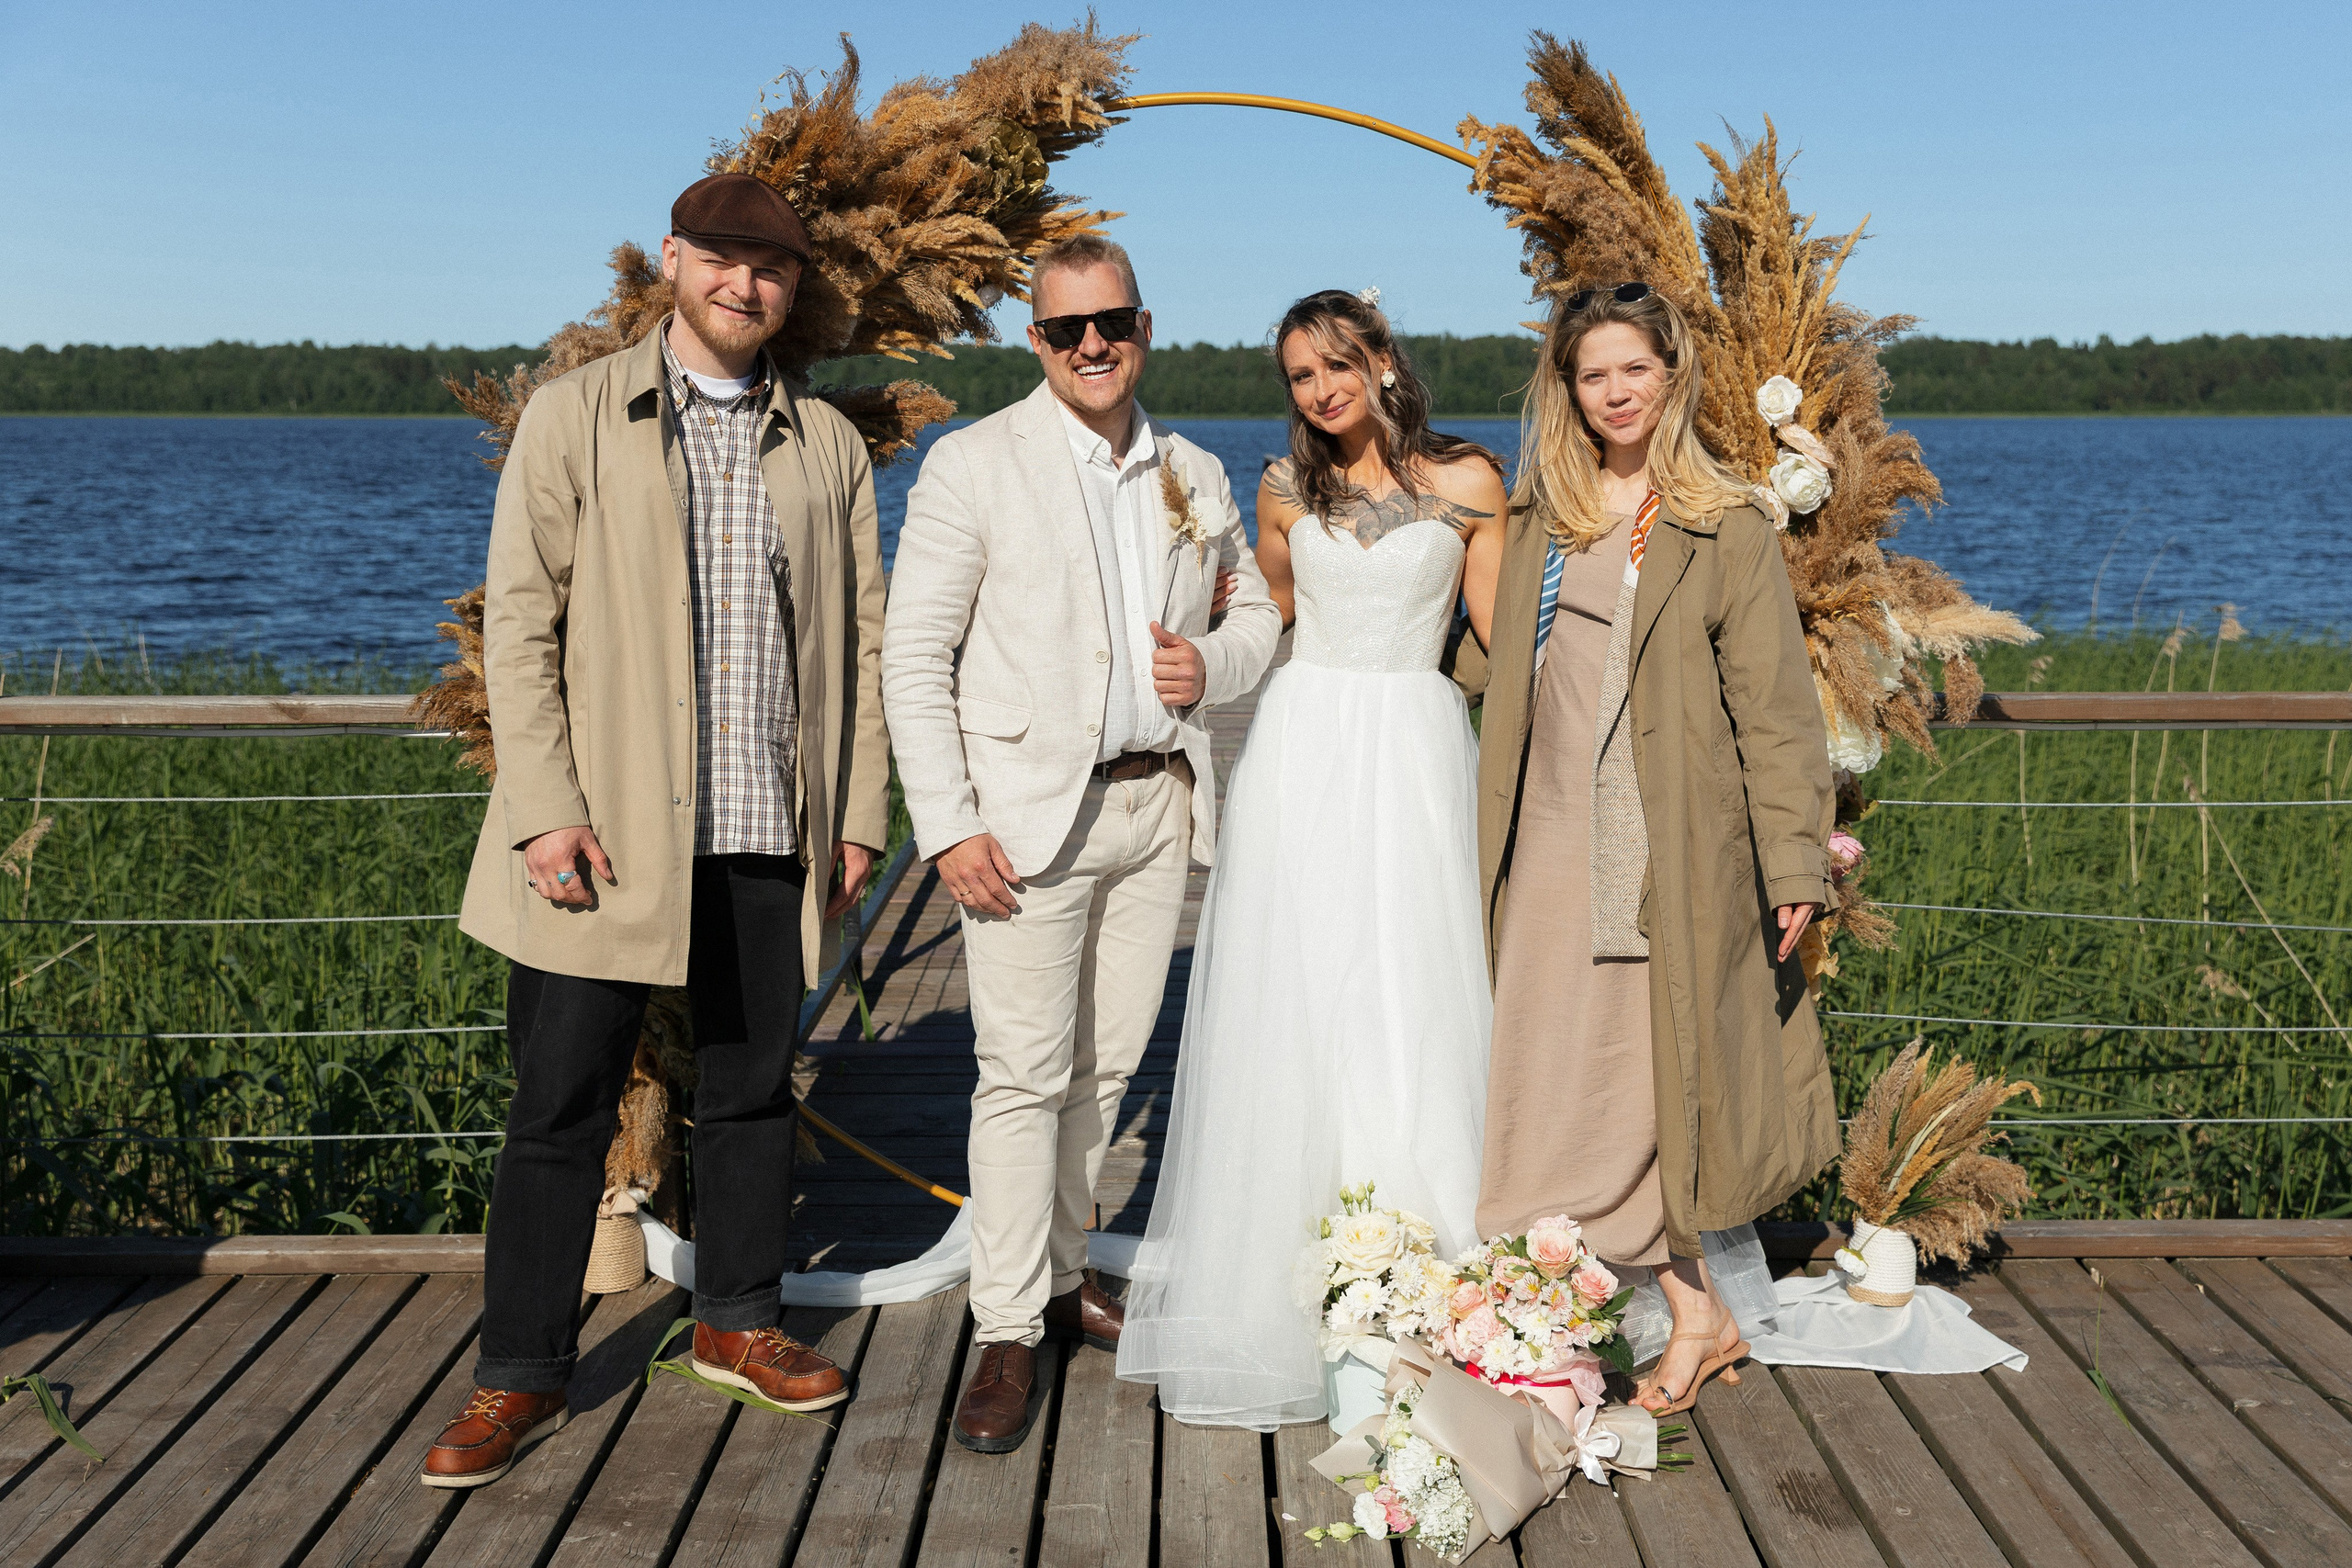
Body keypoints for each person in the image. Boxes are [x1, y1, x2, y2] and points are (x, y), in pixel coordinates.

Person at [424, 174, 891, 1488]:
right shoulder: (577, 418)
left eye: (775, 268)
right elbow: (516, 625)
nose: (749, 284)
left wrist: (855, 813)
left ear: (794, 291)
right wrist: (544, 809)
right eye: (727, 259)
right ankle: (516, 1374)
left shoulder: (828, 447)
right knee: (557, 1108)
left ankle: (739, 1320)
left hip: (764, 823)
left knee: (749, 1094)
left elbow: (860, 642)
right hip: (605, 833)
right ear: (675, 262)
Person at [883, 234, 1282, 1454]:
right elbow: (912, 657)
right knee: (1021, 1075)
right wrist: (947, 824)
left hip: (1157, 805)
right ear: (1037, 342)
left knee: (1105, 1071)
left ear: (1144, 326)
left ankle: (1059, 1278)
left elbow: (1259, 606)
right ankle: (1006, 1326)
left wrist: (1209, 661)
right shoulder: (971, 465)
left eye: (1112, 322)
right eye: (1067, 330)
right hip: (1022, 823)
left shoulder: (1196, 467)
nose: (1093, 344)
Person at [1117, 288, 1508, 1430]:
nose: (1321, 389)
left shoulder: (1473, 483)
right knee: (1302, 990)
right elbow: (1269, 617)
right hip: (1305, 750)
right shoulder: (1285, 491)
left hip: (1418, 742)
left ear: (1383, 360)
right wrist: (1185, 653)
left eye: (1338, 363)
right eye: (1299, 374)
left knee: (1414, 986)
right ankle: (1292, 1280)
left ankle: (1423, 1264)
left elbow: (1497, 638)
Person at [1463, 281, 1835, 1416]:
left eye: (1633, 368)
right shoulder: (1541, 517)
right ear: (1565, 390)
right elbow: (1489, 666)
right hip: (1544, 836)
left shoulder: (1721, 521)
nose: (1614, 392)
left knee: (1646, 1088)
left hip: (1664, 844)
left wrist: (1794, 866)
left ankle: (1692, 1314)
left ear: (1669, 374)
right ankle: (1547, 1313)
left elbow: (1775, 710)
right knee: (1543, 1074)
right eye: (1592, 374)